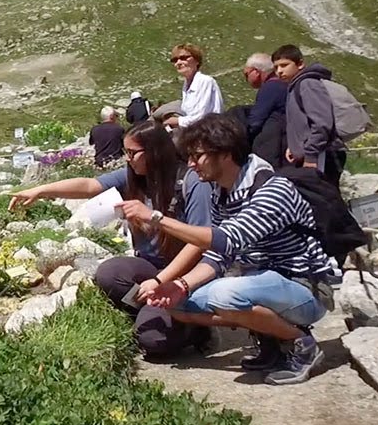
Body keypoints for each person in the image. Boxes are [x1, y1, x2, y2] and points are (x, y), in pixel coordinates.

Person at [119, 114, 341, 385]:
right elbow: (218, 256)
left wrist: (156, 218)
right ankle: (271, 339)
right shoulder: (221, 191)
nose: (191, 164)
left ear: (224, 153)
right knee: (175, 303)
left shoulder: (271, 190)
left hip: (304, 287)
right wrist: (180, 285)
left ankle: (301, 343)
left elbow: (226, 239)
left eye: (197, 156)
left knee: (225, 295)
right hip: (261, 282)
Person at [10, 121, 213, 356]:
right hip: (152, 266)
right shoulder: (134, 176)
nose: (127, 159)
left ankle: (195, 326)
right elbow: (89, 185)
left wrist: (159, 282)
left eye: (133, 153)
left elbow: (199, 243)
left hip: (185, 275)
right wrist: (41, 190)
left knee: (153, 340)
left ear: (154, 151)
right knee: (110, 274)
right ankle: (155, 311)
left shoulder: (191, 183)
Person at [272, 45, 347, 186]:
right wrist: (294, 147)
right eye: (276, 68)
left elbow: (322, 123)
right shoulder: (295, 86)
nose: (279, 71)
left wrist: (311, 155)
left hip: (322, 154)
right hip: (312, 155)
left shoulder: (308, 84)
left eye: (284, 65)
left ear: (300, 64)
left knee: (324, 201)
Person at [162, 43, 224, 130]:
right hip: (194, 132)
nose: (178, 63)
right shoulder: (186, 84)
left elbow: (200, 117)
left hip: (209, 133)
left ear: (196, 60)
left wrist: (178, 121)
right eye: (175, 60)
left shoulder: (204, 81)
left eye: (183, 58)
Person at [243, 53, 287, 167]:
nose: (246, 79)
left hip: (277, 146)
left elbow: (255, 121)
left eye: (246, 74)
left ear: (256, 72)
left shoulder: (271, 87)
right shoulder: (283, 84)